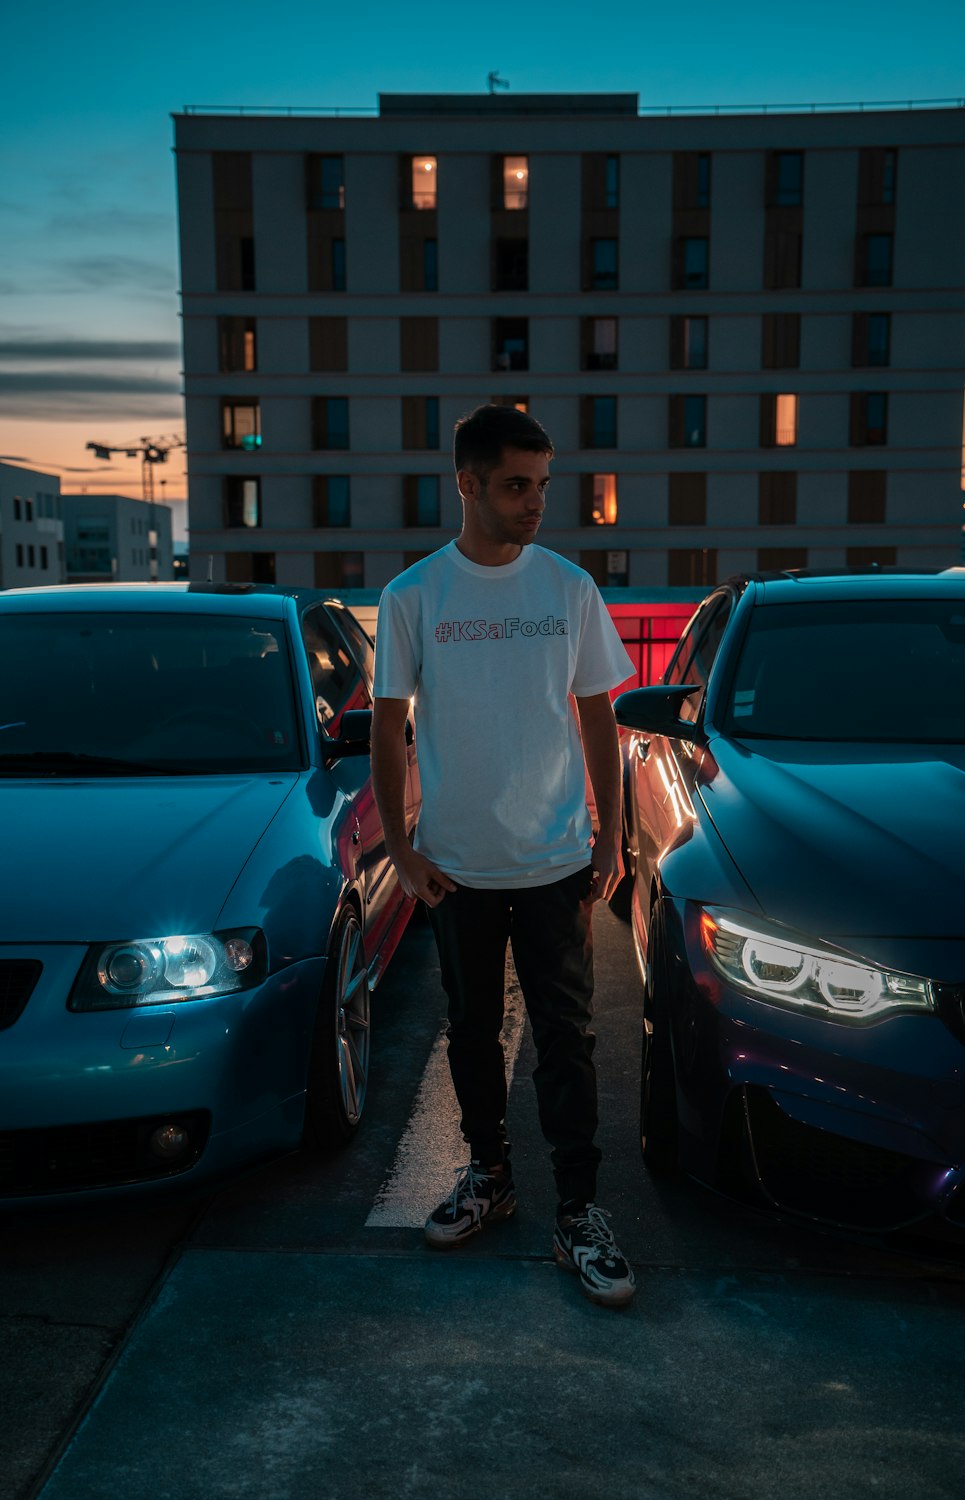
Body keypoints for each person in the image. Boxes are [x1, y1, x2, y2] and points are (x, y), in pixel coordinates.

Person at [371, 403, 636, 1307]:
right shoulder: (414, 596)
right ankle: (490, 1174)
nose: (535, 504)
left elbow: (598, 711)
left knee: (568, 1041)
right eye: (517, 486)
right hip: (457, 868)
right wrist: (403, 849)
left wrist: (610, 834)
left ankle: (580, 1210)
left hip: (556, 859)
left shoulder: (567, 588)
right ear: (468, 485)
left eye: (542, 486)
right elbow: (388, 725)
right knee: (471, 1034)